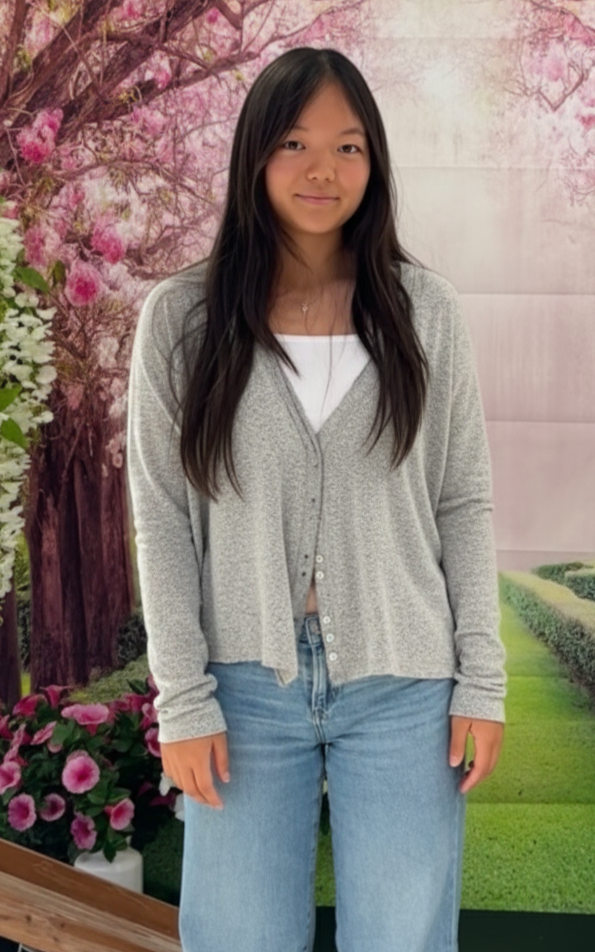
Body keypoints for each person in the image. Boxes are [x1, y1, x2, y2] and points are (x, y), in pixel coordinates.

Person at [126, 46, 506, 952]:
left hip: (405, 684)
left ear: (374, 164)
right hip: (242, 686)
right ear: (253, 155)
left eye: (347, 147)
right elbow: (162, 519)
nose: (320, 170)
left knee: (403, 939)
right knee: (238, 939)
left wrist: (480, 681)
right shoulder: (181, 321)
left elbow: (463, 500)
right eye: (293, 143)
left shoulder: (425, 311)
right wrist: (182, 699)